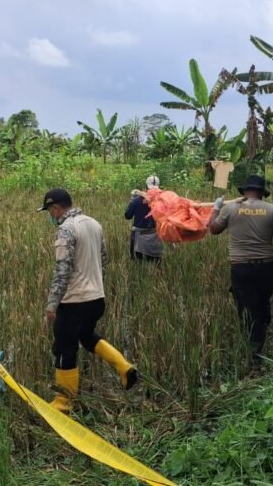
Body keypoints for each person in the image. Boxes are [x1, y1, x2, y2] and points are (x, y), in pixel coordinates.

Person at [37, 188, 138, 412]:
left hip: (74, 301)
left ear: (56, 208)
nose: (50, 216)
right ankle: (124, 367)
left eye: (49, 211)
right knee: (86, 336)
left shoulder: (66, 229)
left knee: (64, 348)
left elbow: (63, 270)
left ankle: (63, 403)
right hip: (96, 298)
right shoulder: (94, 223)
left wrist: (52, 304)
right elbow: (104, 259)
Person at [208, 175, 273, 366]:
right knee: (262, 304)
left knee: (246, 308)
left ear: (244, 191)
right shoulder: (272, 210)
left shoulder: (230, 209)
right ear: (262, 192)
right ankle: (259, 342)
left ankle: (252, 351)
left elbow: (213, 229)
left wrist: (216, 207)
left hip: (241, 267)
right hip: (265, 267)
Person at [124, 176, 164, 263]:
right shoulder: (162, 202)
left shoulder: (136, 201)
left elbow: (127, 216)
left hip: (139, 238)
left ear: (146, 186)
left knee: (137, 265)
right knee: (156, 265)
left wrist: (131, 201)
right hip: (155, 238)